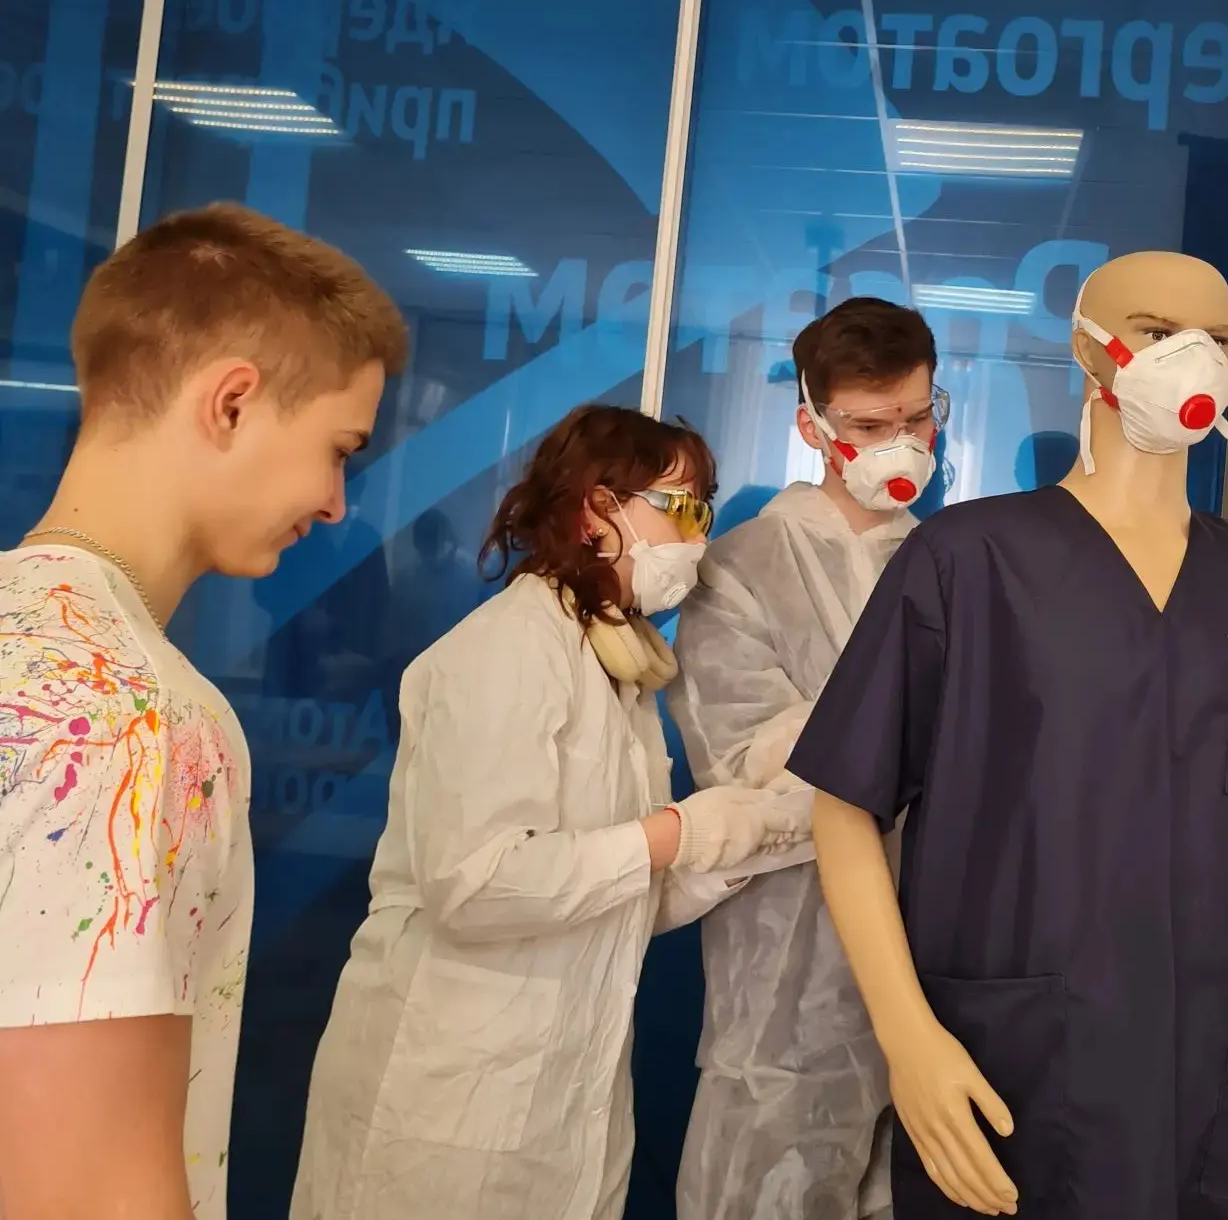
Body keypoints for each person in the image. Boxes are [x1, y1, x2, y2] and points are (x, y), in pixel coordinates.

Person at [786, 252, 1228, 1219]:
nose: (1194, 357)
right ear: (1089, 350)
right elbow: (844, 806)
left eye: (1217, 339)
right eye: (1158, 331)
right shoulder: (965, 563)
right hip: (1022, 1084)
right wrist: (909, 1037)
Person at [292, 403, 807, 1220]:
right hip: (450, 1098)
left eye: (704, 514)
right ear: (598, 510)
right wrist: (675, 835)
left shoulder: (616, 669)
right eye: (683, 510)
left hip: (565, 1100)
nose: (698, 541)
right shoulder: (509, 649)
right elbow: (477, 882)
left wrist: (742, 840)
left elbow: (608, 895)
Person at [0, 203, 408, 1220]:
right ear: (231, 403)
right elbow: (93, 1195)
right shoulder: (132, 720)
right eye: (339, 448)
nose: (336, 502)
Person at [670, 296, 945, 1220]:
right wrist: (909, 752)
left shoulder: (957, 567)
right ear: (812, 425)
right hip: (788, 977)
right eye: (868, 427)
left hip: (937, 969)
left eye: (917, 419)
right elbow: (748, 765)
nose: (899, 446)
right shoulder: (739, 571)